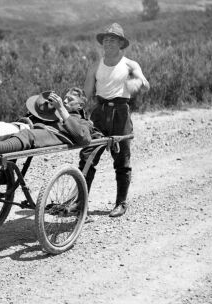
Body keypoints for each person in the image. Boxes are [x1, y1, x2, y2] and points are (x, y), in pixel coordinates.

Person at [80, 23, 150, 218]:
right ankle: (80, 204)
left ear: (121, 43)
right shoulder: (95, 66)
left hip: (121, 113)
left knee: (122, 159)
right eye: (106, 39)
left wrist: (138, 83)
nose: (108, 42)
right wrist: (68, 106)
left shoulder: (130, 65)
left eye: (113, 39)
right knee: (88, 156)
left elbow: (145, 85)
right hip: (99, 114)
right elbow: (86, 95)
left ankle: (121, 203)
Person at [0, 87, 95, 154]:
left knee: (27, 134)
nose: (65, 101)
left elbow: (84, 139)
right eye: (64, 98)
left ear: (80, 106)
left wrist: (61, 109)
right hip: (38, 130)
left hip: (53, 136)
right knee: (11, 126)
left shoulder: (83, 122)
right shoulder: (55, 114)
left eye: (70, 99)